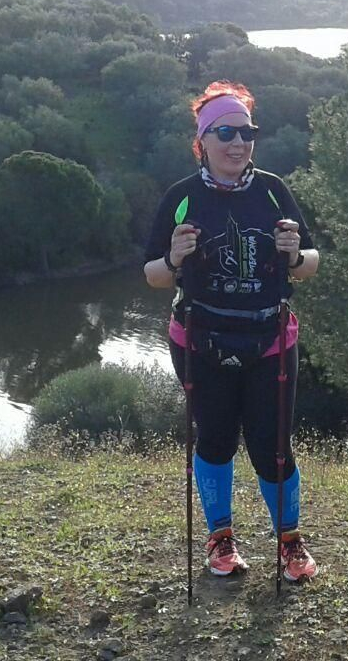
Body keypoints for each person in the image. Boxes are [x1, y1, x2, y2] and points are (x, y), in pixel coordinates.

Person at [143, 81, 321, 582]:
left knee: (274, 447)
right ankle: (221, 538)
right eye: (225, 131)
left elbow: (310, 264)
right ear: (203, 140)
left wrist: (294, 254)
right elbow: (153, 275)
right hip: (199, 338)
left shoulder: (272, 189)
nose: (238, 142)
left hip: (270, 339)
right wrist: (174, 258)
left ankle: (290, 542)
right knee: (216, 440)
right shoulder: (181, 197)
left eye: (246, 131)